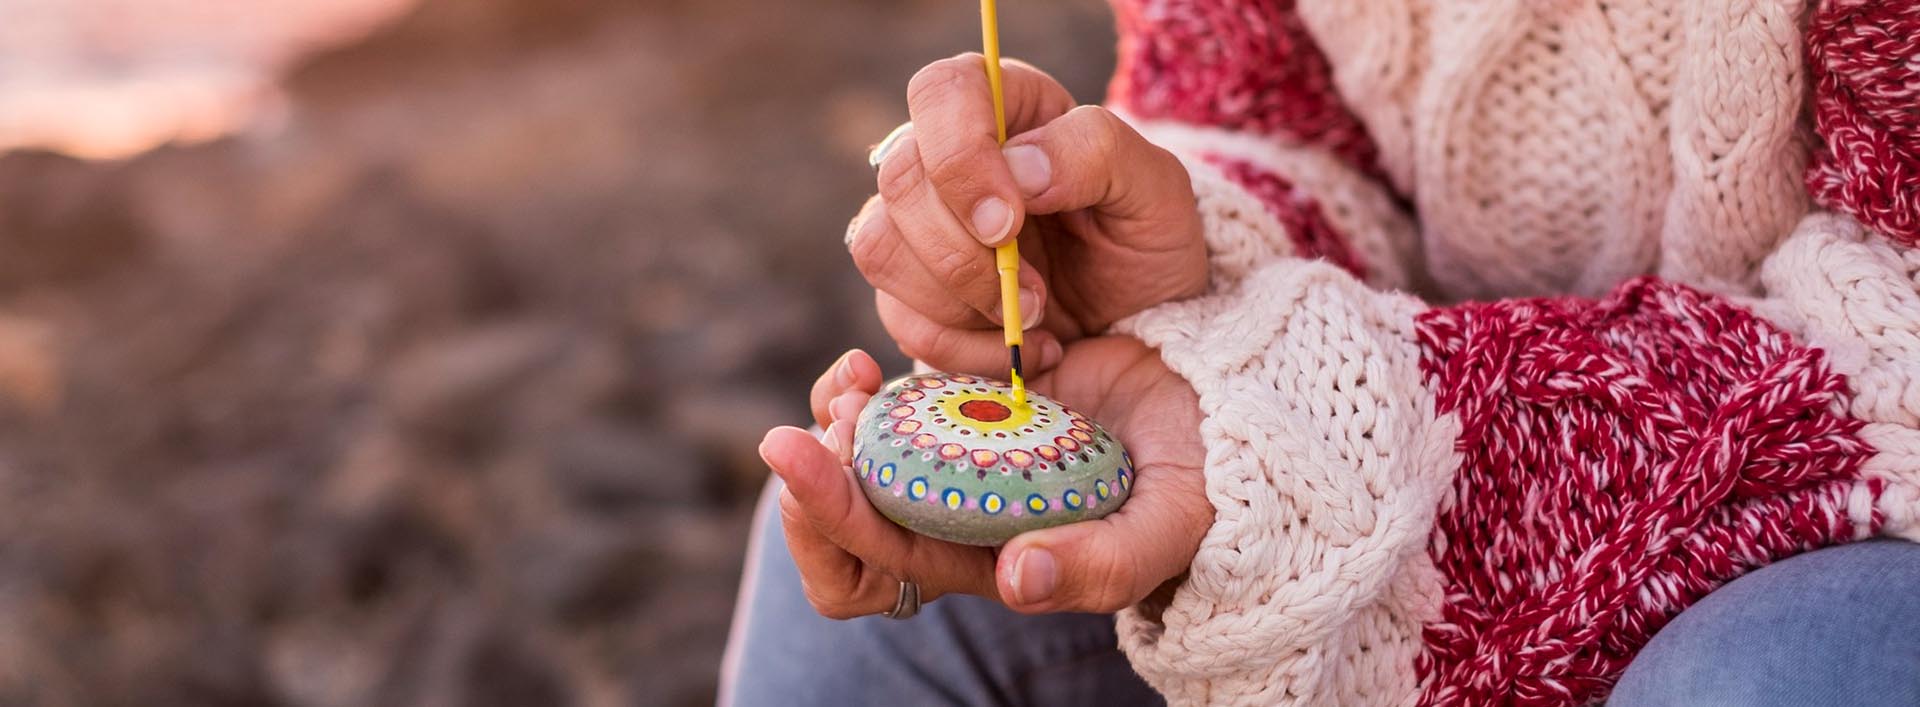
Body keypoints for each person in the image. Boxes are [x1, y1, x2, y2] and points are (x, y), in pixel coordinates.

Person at [723, 0, 1920, 704]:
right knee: (901, 592)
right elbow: (1271, 113)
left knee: (1786, 669)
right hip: (1442, 434)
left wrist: (1306, 419)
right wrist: (1177, 259)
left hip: (1841, 530)